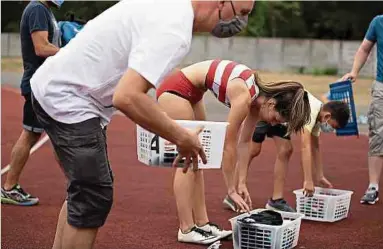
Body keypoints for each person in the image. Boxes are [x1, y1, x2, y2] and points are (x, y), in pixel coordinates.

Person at [29, 1, 255, 248]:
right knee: (92, 197)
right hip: (68, 98)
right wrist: (181, 136)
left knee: (84, 193)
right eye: (242, 12)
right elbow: (127, 97)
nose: (242, 22)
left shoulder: (169, 9)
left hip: (65, 90)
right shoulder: (174, 29)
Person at [156, 59, 312, 244]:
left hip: (194, 93)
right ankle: (186, 228)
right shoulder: (244, 97)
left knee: (198, 157)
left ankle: (202, 224)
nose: (272, 124)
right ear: (271, 104)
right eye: (276, 119)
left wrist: (241, 183)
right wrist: (230, 190)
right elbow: (228, 145)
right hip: (176, 90)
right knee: (188, 160)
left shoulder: (256, 102)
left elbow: (244, 143)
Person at [223, 90, 350, 212]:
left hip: (282, 119)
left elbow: (315, 147)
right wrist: (308, 180)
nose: (330, 129)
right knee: (253, 150)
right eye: (332, 126)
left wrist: (320, 175)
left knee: (286, 149)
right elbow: (305, 146)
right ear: (328, 116)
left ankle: (276, 200)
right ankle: (233, 194)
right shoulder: (311, 111)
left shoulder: (318, 116)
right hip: (271, 110)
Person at [1, 0, 62, 206]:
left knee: (36, 133)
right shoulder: (37, 9)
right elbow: (41, 47)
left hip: (43, 84)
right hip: (38, 85)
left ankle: (9, 186)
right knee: (32, 134)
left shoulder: (44, 10)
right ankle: (8, 187)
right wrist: (72, 54)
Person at [341, 0, 383, 205]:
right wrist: (354, 71)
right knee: (378, 134)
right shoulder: (379, 22)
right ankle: (373, 187)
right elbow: (364, 48)